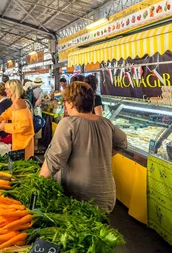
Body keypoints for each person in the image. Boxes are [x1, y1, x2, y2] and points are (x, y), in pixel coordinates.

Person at [39, 82, 127, 213]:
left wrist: (37, 182)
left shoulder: (69, 123)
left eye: (65, 101)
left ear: (71, 103)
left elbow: (54, 159)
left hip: (80, 196)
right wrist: (99, 156)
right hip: (105, 195)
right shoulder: (106, 123)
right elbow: (122, 143)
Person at [0, 80, 34, 159]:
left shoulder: (18, 103)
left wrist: (4, 127)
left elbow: (23, 126)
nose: (5, 91)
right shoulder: (16, 102)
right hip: (20, 141)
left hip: (23, 143)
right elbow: (8, 113)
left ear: (13, 89)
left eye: (7, 89)